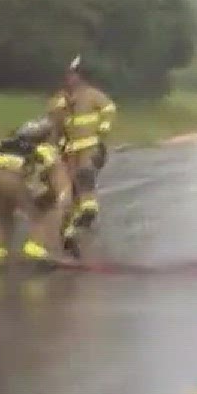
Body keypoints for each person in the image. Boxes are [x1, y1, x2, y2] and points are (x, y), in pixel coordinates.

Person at [0, 119, 72, 264]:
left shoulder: (2, 145)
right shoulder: (45, 150)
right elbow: (62, 184)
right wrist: (62, 202)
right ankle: (35, 246)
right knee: (39, 212)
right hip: (15, 179)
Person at [46, 56, 117, 255]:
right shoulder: (62, 98)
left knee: (85, 176)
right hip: (69, 149)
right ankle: (76, 219)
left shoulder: (92, 94)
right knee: (70, 185)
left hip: (89, 145)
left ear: (80, 76)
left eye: (73, 75)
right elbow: (55, 122)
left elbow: (109, 108)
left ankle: (88, 210)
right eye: (67, 76)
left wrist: (103, 129)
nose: (69, 80)